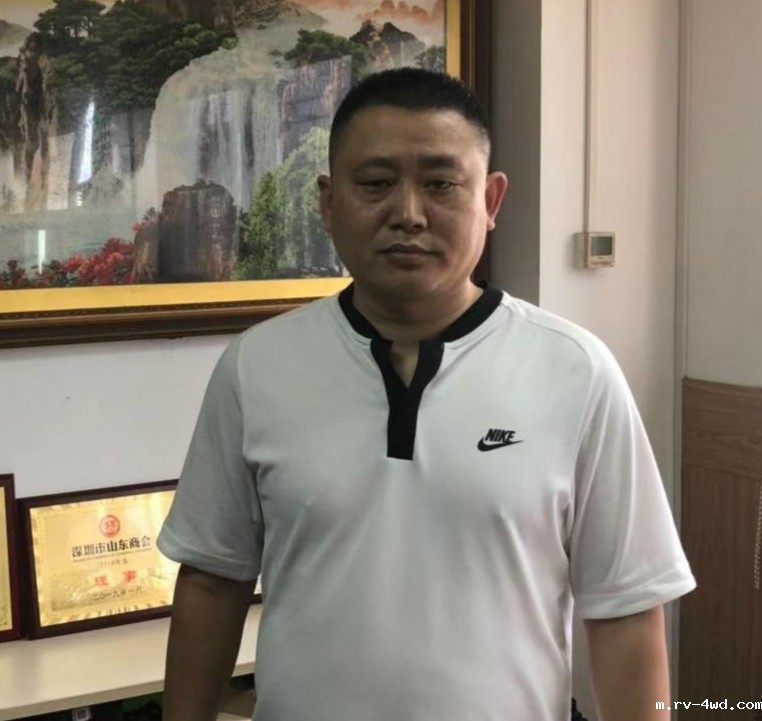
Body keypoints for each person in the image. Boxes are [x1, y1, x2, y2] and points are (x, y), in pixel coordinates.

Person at [158, 67, 696, 721]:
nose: (408, 214)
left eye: (440, 184)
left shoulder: (576, 371)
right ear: (328, 202)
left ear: (491, 200)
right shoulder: (257, 367)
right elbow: (213, 583)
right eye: (376, 184)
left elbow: (625, 610)